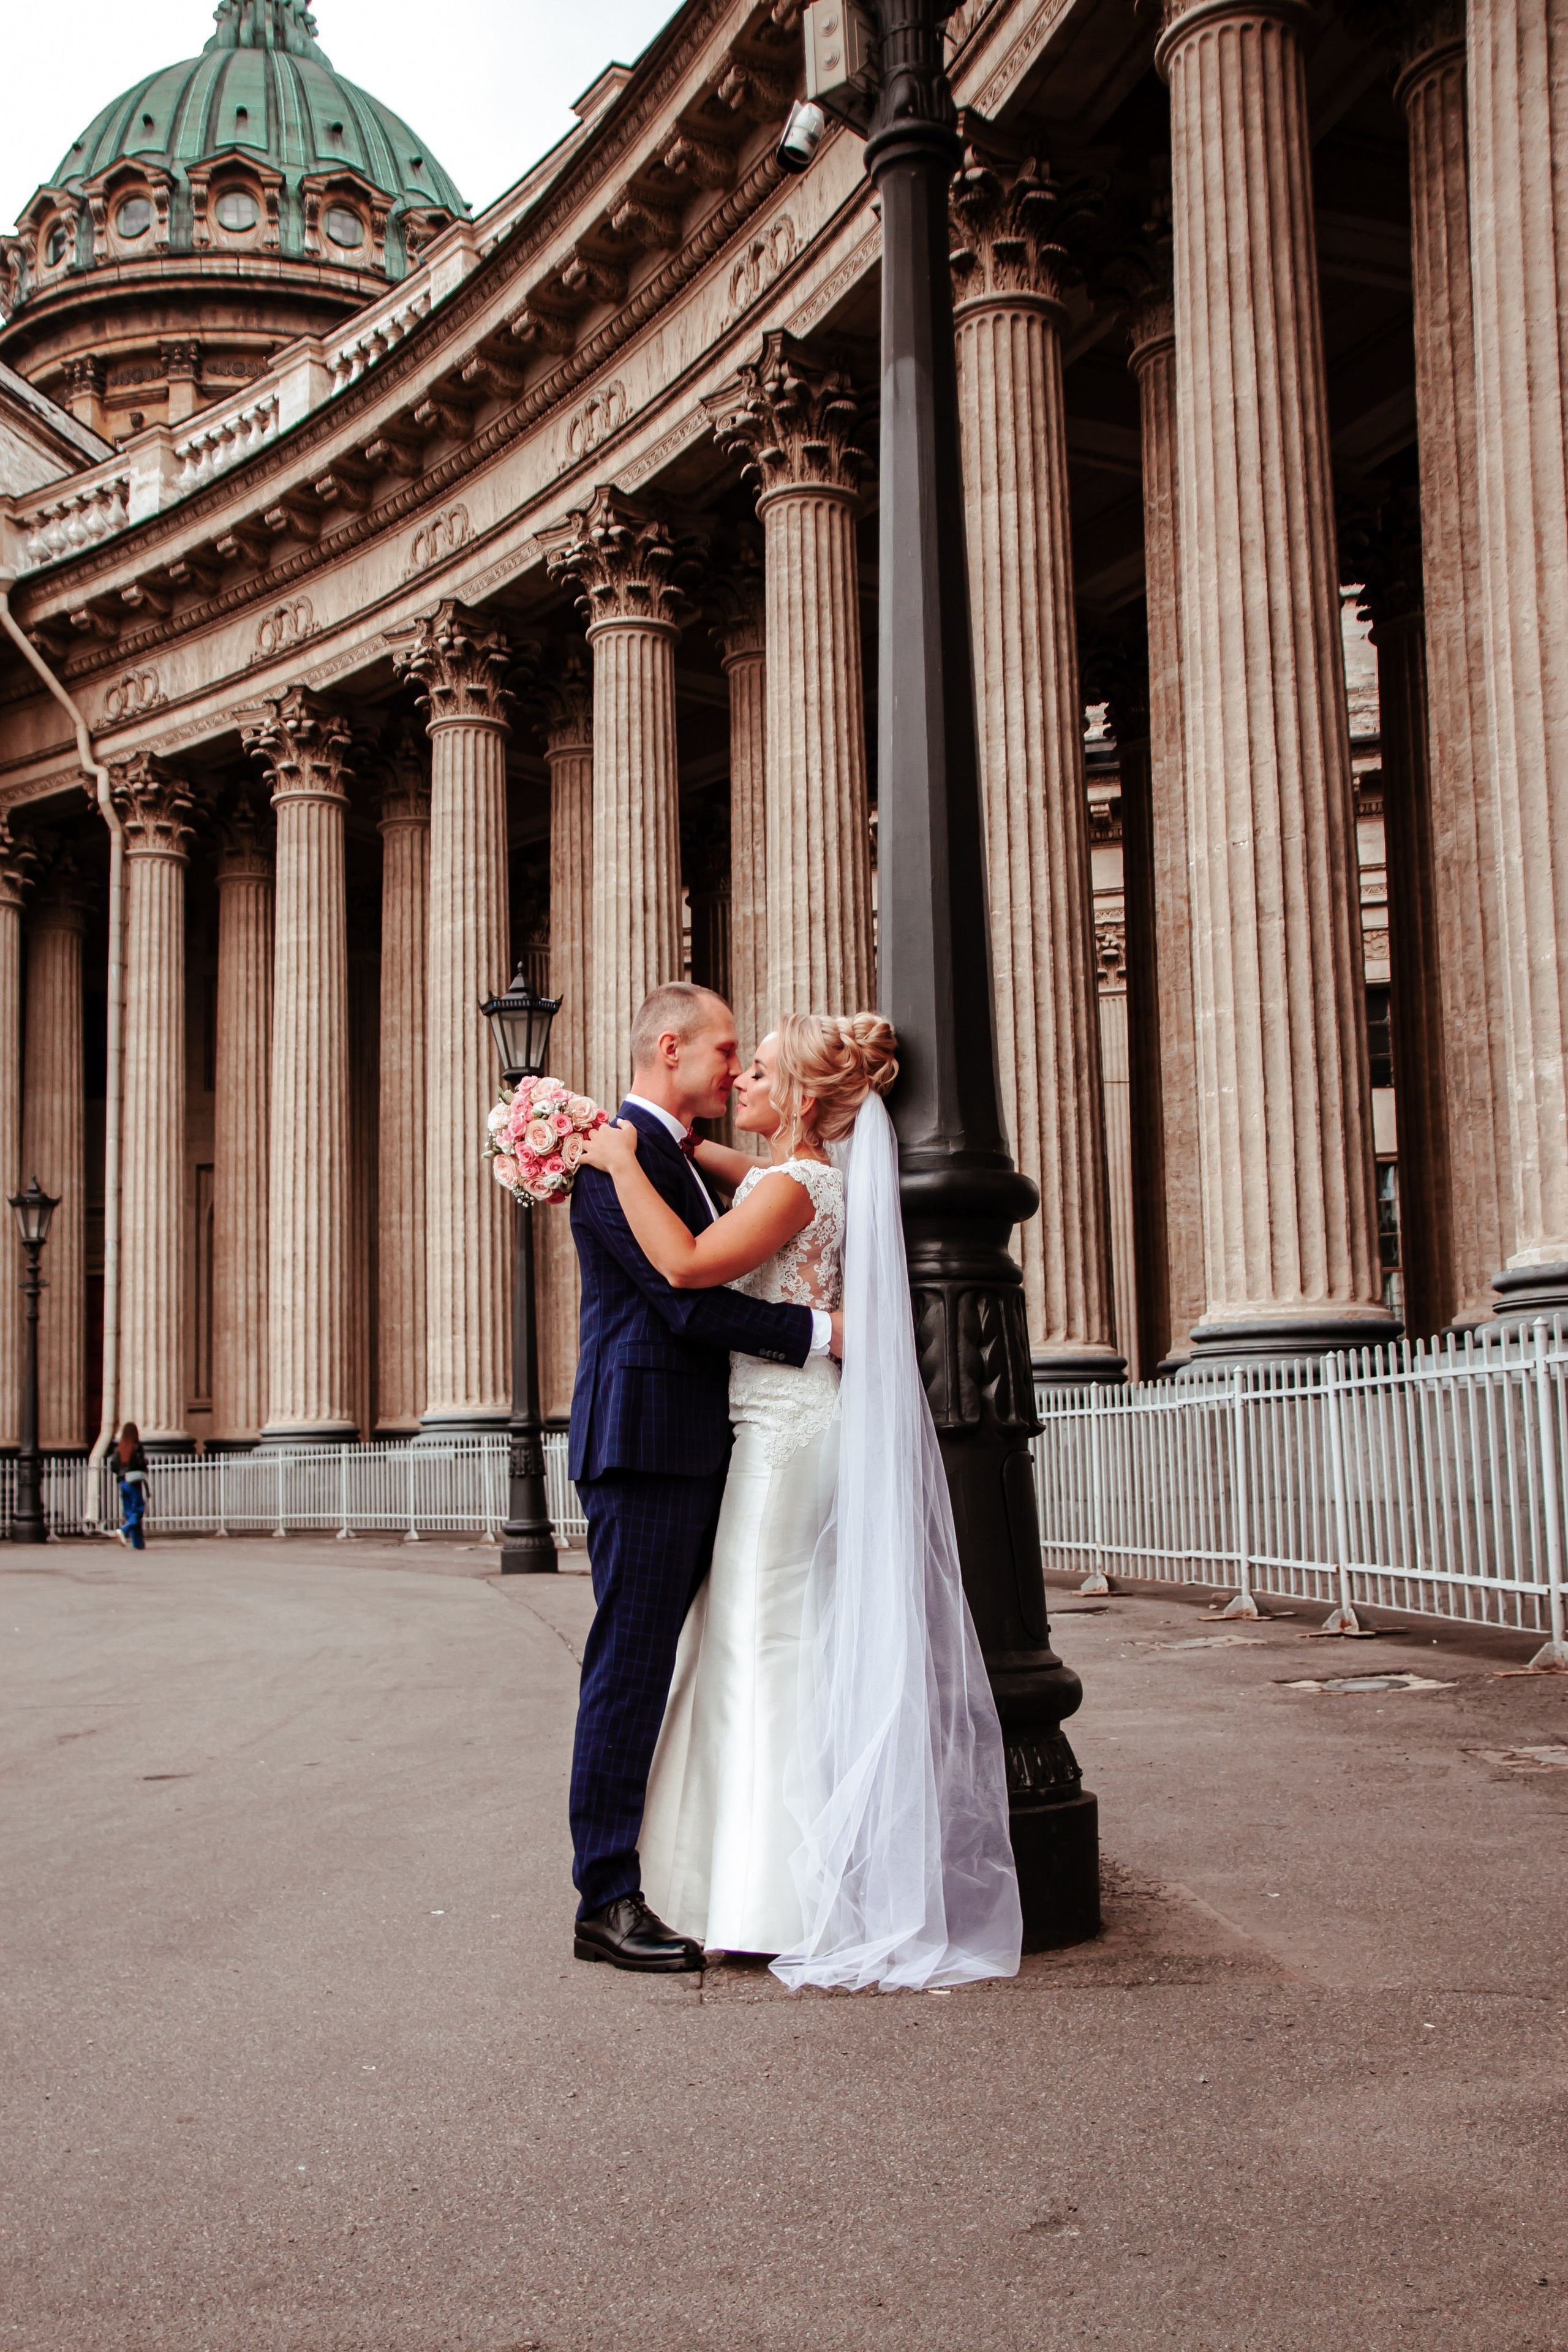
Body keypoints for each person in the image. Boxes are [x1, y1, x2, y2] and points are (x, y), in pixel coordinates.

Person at [582, 1012, 1022, 1992]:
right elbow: (752, 1181)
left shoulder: (793, 1184)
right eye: (734, 1059)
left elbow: (691, 1272)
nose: (742, 1078)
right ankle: (751, 1879)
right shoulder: (797, 1176)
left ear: (799, 1098)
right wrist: (684, 1148)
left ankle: (773, 1893)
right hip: (778, 1426)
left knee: (758, 1642)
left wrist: (621, 1166)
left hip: (782, 1437)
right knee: (763, 1639)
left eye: (760, 1069)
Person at [565, 982, 843, 1974]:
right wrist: (823, 1333)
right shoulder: (613, 1163)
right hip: (643, 1446)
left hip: (697, 1445)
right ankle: (604, 1897)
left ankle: (690, 1873)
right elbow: (687, 1305)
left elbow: (763, 1195)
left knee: (701, 1664)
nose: (735, 1070)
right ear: (670, 1048)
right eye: (727, 1052)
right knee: (631, 1668)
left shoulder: (669, 1158)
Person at [115, 1422, 149, 1550]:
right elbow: (140, 1462)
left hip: (123, 1481)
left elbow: (114, 1464)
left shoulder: (120, 1446)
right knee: (139, 1510)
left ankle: (138, 1543)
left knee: (130, 1512)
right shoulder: (136, 1446)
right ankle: (124, 1530)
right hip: (133, 1481)